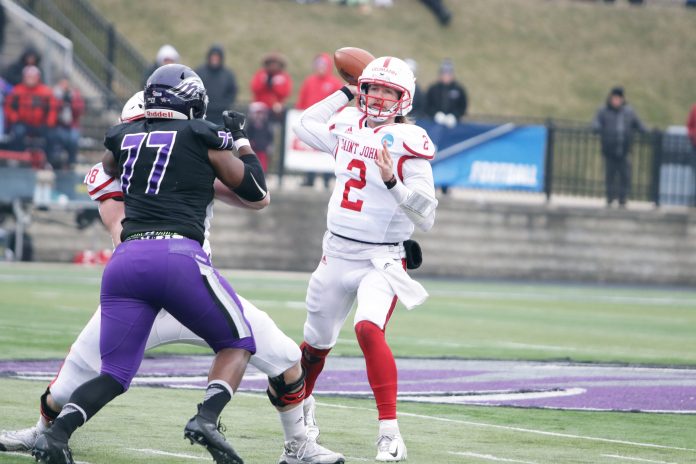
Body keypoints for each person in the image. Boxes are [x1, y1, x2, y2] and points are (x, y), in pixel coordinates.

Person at [0, 91, 345, 464]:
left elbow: (256, 198)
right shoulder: (121, 171)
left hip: (190, 288)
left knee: (286, 359)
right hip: (156, 290)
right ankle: (43, 432)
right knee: (70, 382)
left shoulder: (182, 158)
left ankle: (299, 446)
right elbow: (120, 230)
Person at [29, 64, 266, 464]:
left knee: (114, 374)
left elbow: (106, 171)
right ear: (191, 101)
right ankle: (206, 419)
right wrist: (239, 139)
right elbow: (254, 188)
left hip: (125, 262)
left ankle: (56, 436)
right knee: (238, 343)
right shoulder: (200, 133)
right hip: (177, 257)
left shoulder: (121, 138)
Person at [293, 56, 437, 462]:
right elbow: (303, 123)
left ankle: (390, 433)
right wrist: (343, 89)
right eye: (371, 87)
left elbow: (426, 215)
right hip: (336, 252)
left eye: (387, 90)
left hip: (381, 257)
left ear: (403, 99)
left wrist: (393, 182)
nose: (377, 96)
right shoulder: (347, 124)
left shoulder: (410, 141)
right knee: (313, 348)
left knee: (368, 329)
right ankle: (304, 409)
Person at [592, 86, 647, 208]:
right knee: (610, 175)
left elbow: (638, 124)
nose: (616, 101)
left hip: (624, 149)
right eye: (614, 98)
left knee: (625, 176)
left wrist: (647, 131)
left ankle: (622, 199)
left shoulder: (629, 112)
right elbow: (596, 122)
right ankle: (610, 198)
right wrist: (597, 128)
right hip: (609, 150)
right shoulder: (603, 111)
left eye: (618, 99)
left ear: (622, 100)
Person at [296, 53, 343, 189]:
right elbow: (302, 100)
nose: (320, 68)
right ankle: (309, 178)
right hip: (311, 122)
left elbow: (340, 103)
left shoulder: (334, 83)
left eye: (323, 65)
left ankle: (327, 178)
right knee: (310, 148)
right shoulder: (309, 81)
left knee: (326, 151)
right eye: (318, 65)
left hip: (327, 123)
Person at [3, 65, 56, 161]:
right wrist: (14, 117)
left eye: (33, 77)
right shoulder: (17, 90)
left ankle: (49, 161)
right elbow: (8, 107)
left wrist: (49, 121)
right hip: (22, 122)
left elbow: (52, 108)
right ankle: (18, 159)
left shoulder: (45, 92)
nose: (30, 79)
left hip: (40, 124)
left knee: (51, 136)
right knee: (18, 133)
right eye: (28, 77)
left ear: (38, 78)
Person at [195, 44, 238, 125]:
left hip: (221, 116)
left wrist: (225, 104)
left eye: (217, 56)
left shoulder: (228, 75)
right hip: (203, 115)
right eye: (213, 56)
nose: (215, 59)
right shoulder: (199, 72)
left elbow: (232, 92)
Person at [49, 76, 85, 169]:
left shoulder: (74, 95)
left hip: (72, 125)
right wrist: (61, 102)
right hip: (58, 125)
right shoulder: (54, 94)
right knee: (58, 137)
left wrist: (71, 102)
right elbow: (52, 110)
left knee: (73, 139)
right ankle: (56, 162)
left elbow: (79, 111)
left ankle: (71, 161)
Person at [425, 58, 467, 128]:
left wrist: (454, 116)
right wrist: (435, 114)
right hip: (433, 124)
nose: (446, 76)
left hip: (454, 125)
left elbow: (462, 106)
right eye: (444, 73)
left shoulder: (459, 89)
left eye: (448, 73)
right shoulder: (433, 89)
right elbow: (427, 105)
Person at [250, 52, 293, 120]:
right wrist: (265, 82)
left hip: (276, 106)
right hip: (261, 105)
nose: (273, 66)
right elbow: (254, 88)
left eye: (275, 64)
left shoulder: (283, 77)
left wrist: (274, 85)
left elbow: (285, 92)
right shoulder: (261, 74)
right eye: (270, 64)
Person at [246, 101, 274, 172]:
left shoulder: (266, 126)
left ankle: (262, 173)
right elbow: (248, 135)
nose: (259, 116)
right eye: (257, 113)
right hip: (253, 148)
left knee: (262, 162)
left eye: (260, 113)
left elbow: (270, 136)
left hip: (263, 148)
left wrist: (269, 145)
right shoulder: (250, 126)